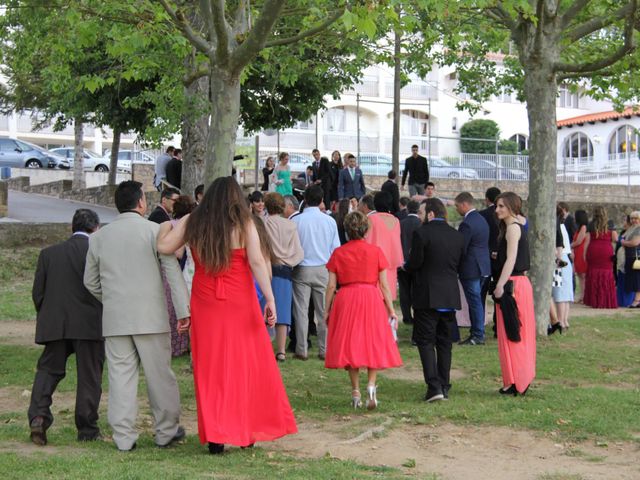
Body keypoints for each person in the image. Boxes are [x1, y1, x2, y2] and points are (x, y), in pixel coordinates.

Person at [157, 177, 297, 454]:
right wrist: (270, 298)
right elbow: (257, 261)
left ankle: (216, 435)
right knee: (245, 364)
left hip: (206, 301)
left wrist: (163, 226)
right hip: (239, 300)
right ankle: (245, 432)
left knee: (210, 369)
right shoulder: (244, 224)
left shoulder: (193, 221)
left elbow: (164, 247)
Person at [84, 181, 189, 451]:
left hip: (116, 318)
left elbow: (90, 282)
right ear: (141, 203)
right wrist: (183, 310)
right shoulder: (155, 231)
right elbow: (172, 273)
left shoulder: (98, 237)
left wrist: (111, 300)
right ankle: (165, 432)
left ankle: (123, 437)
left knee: (121, 378)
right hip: (151, 317)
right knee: (160, 376)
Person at [28, 209, 104, 446]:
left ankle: (39, 416)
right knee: (89, 377)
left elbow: (37, 293)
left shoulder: (48, 254)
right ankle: (87, 427)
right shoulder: (98, 252)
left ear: (73, 227)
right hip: (91, 323)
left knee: (48, 371)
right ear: (96, 228)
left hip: (56, 322)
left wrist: (49, 314)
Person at [324, 211, 402, 409]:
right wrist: (391, 309)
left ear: (347, 230)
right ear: (366, 230)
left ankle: (355, 390)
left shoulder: (339, 253)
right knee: (373, 342)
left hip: (346, 298)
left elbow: (331, 286)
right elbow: (384, 285)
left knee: (350, 343)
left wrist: (327, 309)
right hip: (371, 298)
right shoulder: (375, 252)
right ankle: (371, 385)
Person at [405, 198, 464, 402]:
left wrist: (406, 266)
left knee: (426, 341)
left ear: (430, 214)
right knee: (444, 342)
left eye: (421, 214)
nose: (419, 217)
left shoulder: (421, 233)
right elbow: (460, 264)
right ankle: (444, 384)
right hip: (449, 294)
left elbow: (415, 263)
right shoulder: (457, 236)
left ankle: (434, 386)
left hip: (427, 295)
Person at [492, 192, 535, 396]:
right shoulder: (514, 227)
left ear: (511, 206)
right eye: (497, 206)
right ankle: (516, 380)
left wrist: (500, 285)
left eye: (501, 206)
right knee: (515, 332)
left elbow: (511, 259)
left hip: (513, 285)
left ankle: (518, 381)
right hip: (519, 283)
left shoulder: (512, 229)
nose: (497, 209)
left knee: (512, 332)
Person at [291, 185, 341, 360]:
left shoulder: (296, 221)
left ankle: (301, 348)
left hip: (302, 268)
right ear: (321, 200)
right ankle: (324, 349)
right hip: (323, 269)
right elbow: (336, 249)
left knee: (301, 311)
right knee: (323, 311)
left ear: (305, 200)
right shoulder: (329, 221)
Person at [264, 193, 304, 361]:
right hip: (286, 269)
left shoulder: (263, 224)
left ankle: (264, 347)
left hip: (266, 269)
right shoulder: (290, 225)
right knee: (283, 312)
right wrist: (290, 262)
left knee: (263, 309)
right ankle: (281, 350)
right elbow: (299, 251)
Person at [455, 192, 491, 345]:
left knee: (474, 301)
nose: (457, 209)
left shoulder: (467, 223)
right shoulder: (481, 220)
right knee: (477, 301)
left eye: (457, 206)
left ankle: (477, 334)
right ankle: (477, 332)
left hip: (471, 267)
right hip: (483, 265)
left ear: (464, 204)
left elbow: (461, 246)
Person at [365, 191, 404, 300]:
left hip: (374, 265)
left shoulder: (371, 219)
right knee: (387, 299)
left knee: (374, 299)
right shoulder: (396, 221)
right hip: (390, 264)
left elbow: (366, 241)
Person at [583, 206, 618, 309]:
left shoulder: (590, 224)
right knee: (607, 274)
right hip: (606, 251)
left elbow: (587, 241)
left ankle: (594, 301)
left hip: (593, 250)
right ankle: (605, 301)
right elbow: (615, 238)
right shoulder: (610, 223)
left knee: (593, 274)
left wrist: (584, 254)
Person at [398, 200, 421, 324]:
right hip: (416, 262)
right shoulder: (421, 223)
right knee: (416, 289)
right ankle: (417, 313)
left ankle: (406, 316)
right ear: (418, 210)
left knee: (404, 290)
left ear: (407, 209)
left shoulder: (401, 224)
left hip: (402, 261)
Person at [552, 206, 574, 330]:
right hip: (565, 259)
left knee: (559, 292)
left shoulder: (557, 227)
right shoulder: (562, 226)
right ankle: (564, 320)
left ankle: (560, 320)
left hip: (559, 260)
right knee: (565, 292)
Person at [621, 211, 640, 308]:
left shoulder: (638, 229)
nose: (634, 221)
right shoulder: (632, 229)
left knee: (637, 279)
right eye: (632, 218)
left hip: (635, 257)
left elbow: (635, 243)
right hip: (630, 256)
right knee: (633, 278)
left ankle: (637, 301)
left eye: (636, 218)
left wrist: (624, 243)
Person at [571, 209, 589, 303]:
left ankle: (585, 295)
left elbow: (579, 241)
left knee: (583, 275)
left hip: (581, 252)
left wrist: (569, 245)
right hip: (577, 252)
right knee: (580, 275)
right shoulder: (579, 227)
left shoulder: (584, 227)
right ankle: (582, 295)